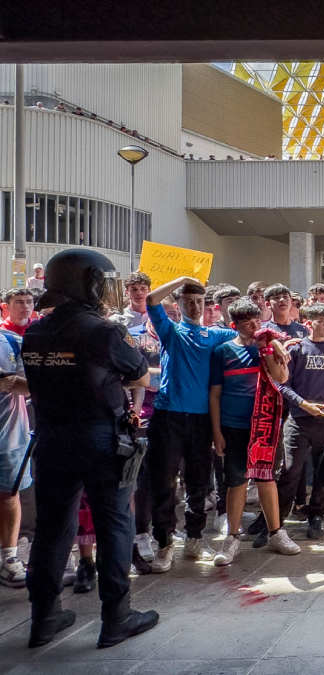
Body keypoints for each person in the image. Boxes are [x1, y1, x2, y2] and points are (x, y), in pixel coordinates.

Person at [22, 249, 158, 648]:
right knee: (115, 524)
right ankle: (117, 617)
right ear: (90, 282)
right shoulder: (101, 330)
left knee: (52, 529)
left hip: (51, 438)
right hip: (100, 438)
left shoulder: (35, 331)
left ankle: (44, 617)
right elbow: (139, 373)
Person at [145, 277, 237, 572]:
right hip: (168, 415)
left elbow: (249, 337)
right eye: (189, 301)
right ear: (178, 305)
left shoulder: (217, 336)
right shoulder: (170, 331)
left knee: (199, 483)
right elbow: (150, 300)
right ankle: (164, 543)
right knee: (164, 482)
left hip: (201, 420)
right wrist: (182, 279)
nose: (195, 306)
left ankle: (195, 538)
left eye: (199, 301)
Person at [209, 298, 297, 564]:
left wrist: (266, 349)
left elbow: (281, 378)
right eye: (247, 323)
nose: (254, 326)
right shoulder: (222, 352)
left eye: (257, 320)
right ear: (234, 325)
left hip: (265, 425)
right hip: (232, 425)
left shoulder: (270, 347)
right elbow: (214, 394)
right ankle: (232, 538)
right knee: (236, 481)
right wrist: (217, 433)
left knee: (266, 478)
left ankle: (276, 532)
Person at [274, 302, 324, 542]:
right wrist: (302, 403)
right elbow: (282, 384)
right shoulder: (296, 349)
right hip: (299, 419)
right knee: (290, 471)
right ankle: (276, 521)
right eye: (321, 321)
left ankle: (317, 515)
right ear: (309, 323)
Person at [0, 326, 30, 589]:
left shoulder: (13, 341)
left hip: (10, 437)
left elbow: (35, 385)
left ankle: (9, 558)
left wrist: (13, 383)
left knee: (9, 495)